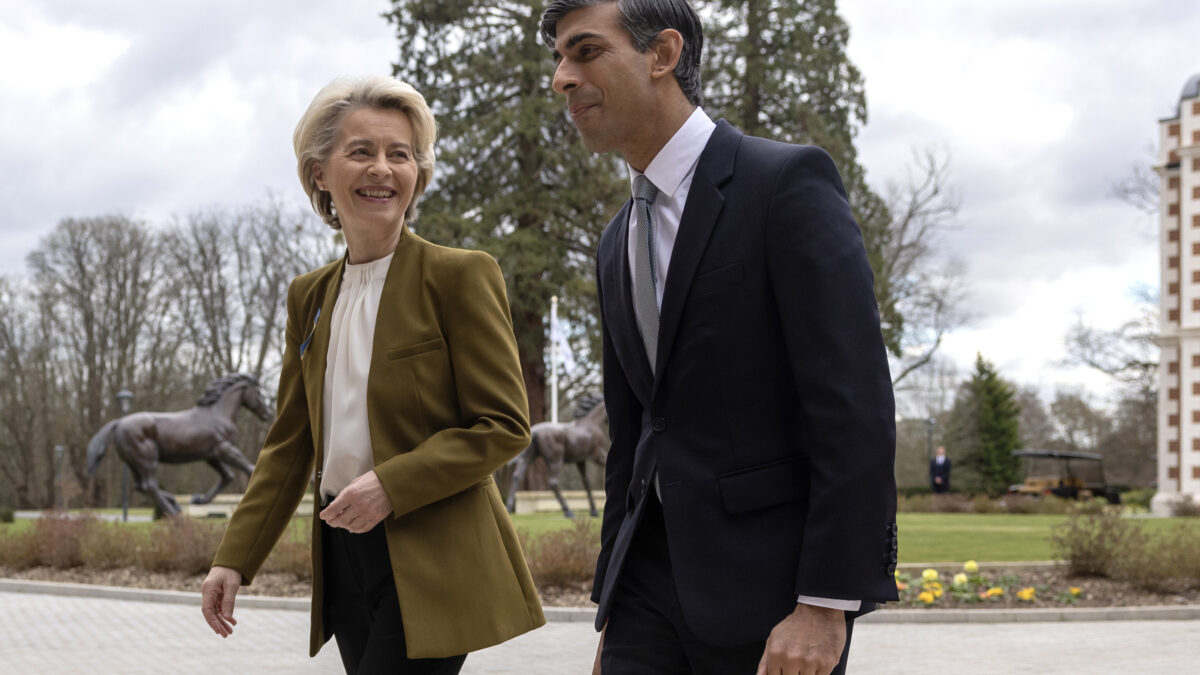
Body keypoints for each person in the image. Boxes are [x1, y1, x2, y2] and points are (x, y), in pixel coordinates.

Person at [540, 2, 898, 673]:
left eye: (584, 52)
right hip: (645, 596)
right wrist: (611, 606)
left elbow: (855, 409)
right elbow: (634, 433)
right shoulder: (617, 239)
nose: (562, 77)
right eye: (558, 58)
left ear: (662, 54)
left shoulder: (785, 185)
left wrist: (824, 603)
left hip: (772, 602)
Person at [199, 76, 545, 674]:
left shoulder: (460, 276)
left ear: (419, 174)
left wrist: (392, 483)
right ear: (320, 174)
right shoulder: (308, 297)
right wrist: (235, 557)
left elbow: (503, 427)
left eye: (400, 154)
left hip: (434, 556)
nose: (382, 169)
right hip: (343, 557)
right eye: (361, 151)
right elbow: (289, 443)